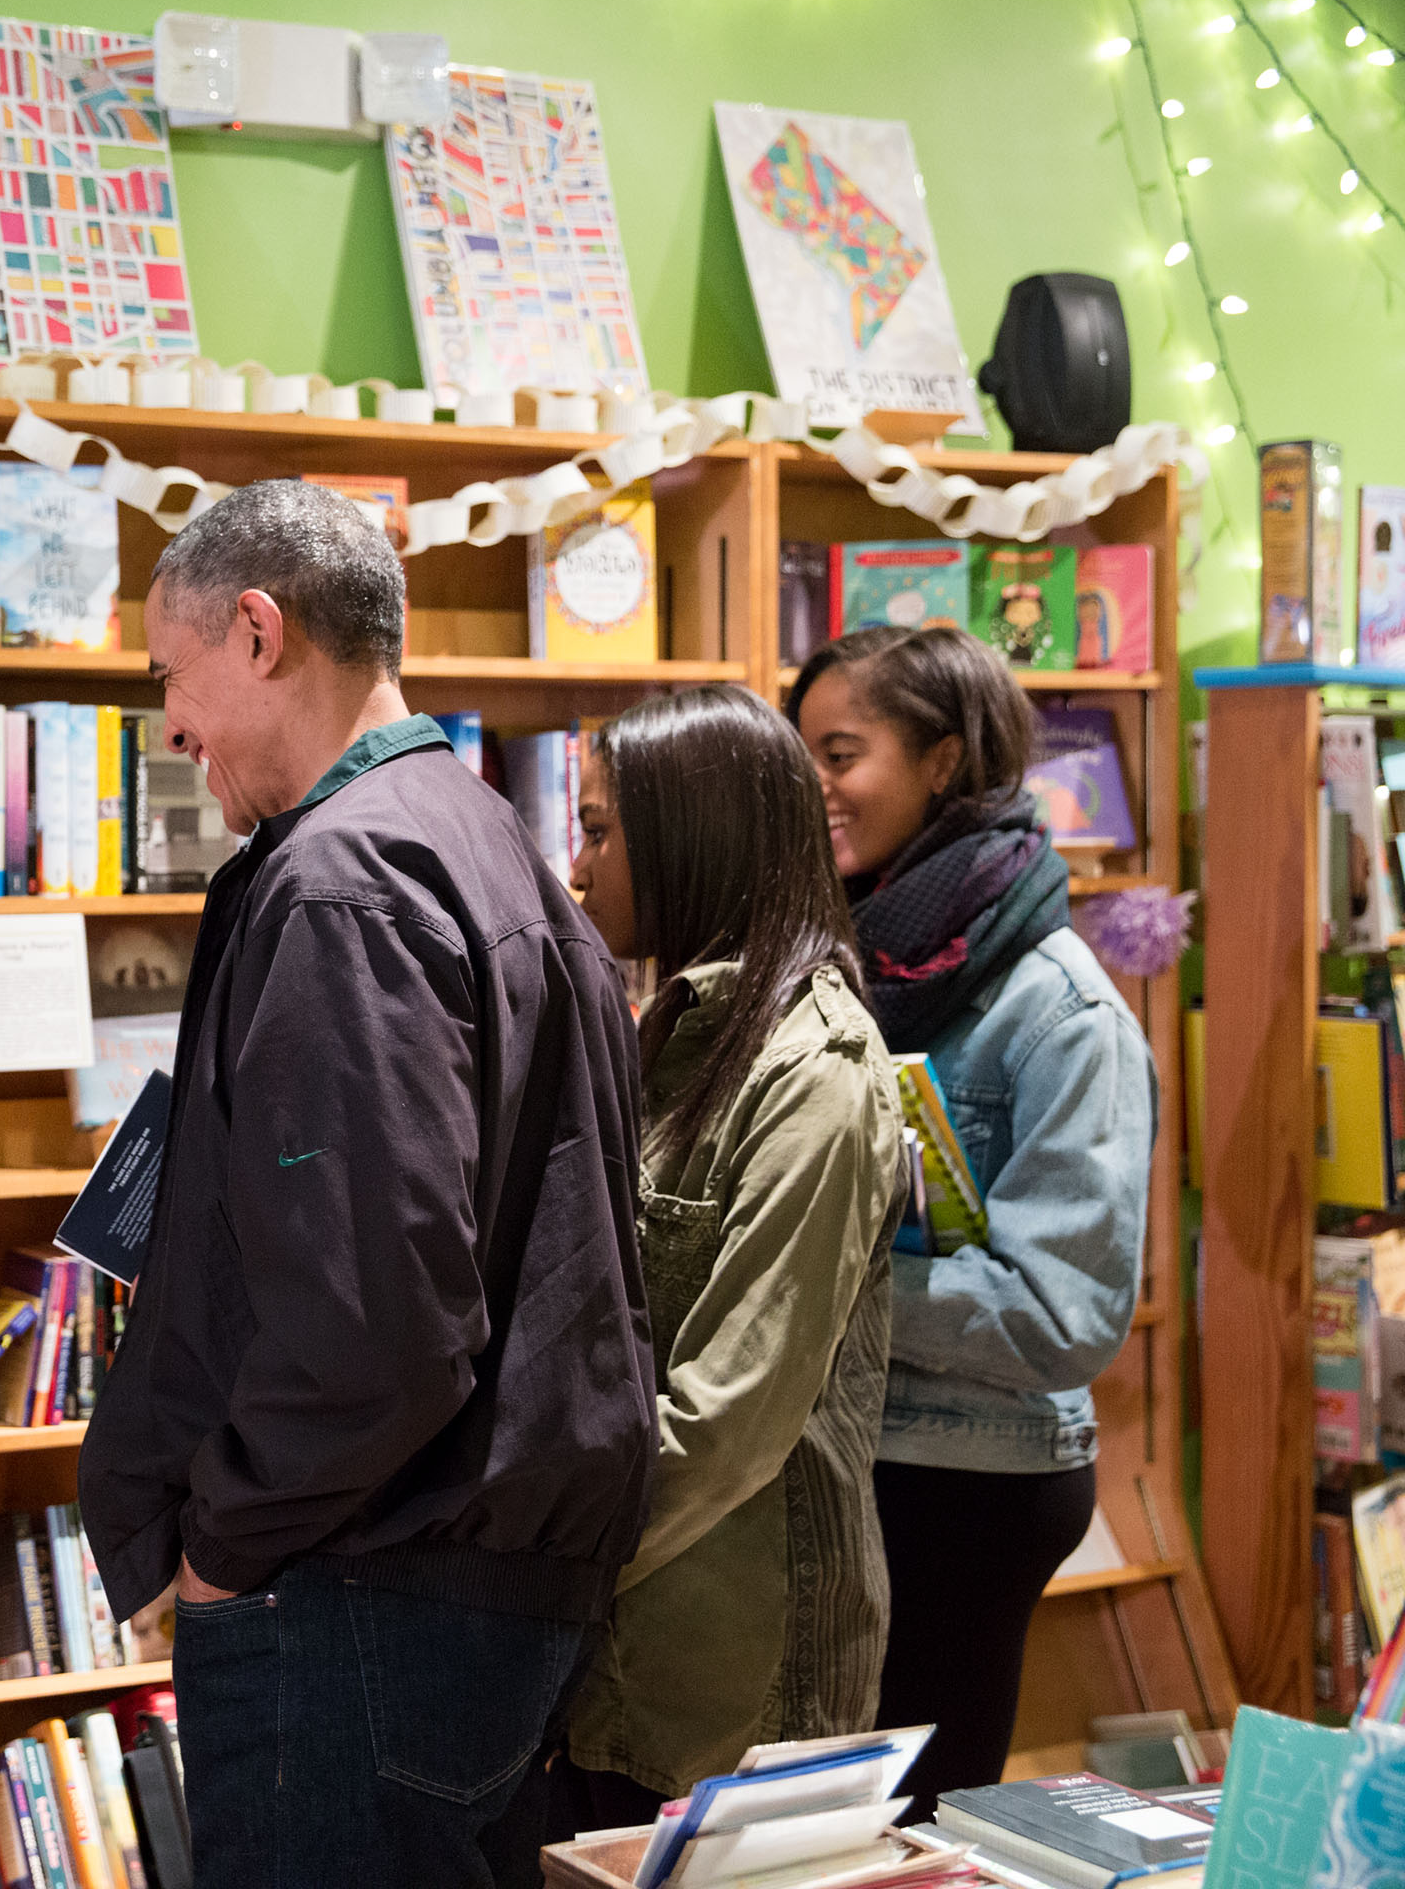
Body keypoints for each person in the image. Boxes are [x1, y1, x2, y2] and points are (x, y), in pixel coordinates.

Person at [77, 478, 658, 1889]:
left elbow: (375, 1318)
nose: (171, 724)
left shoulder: (345, 880)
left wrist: (225, 1539)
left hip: (359, 1586)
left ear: (259, 631)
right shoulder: (482, 840)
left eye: (173, 671)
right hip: (458, 1580)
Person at [787, 625, 1153, 1811]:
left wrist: (816, 1286)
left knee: (918, 1823)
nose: (818, 789)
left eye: (842, 753)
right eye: (804, 759)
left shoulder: (1061, 1013)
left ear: (944, 761)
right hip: (857, 1457)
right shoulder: (842, 960)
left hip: (973, 1476)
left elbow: (1064, 1316)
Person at [552, 686, 905, 1832]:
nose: (577, 863)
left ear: (686, 836)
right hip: (625, 1662)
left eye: (601, 830)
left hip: (737, 1688)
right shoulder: (671, 1035)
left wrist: (526, 1558)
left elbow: (729, 1417)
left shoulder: (818, 1073)